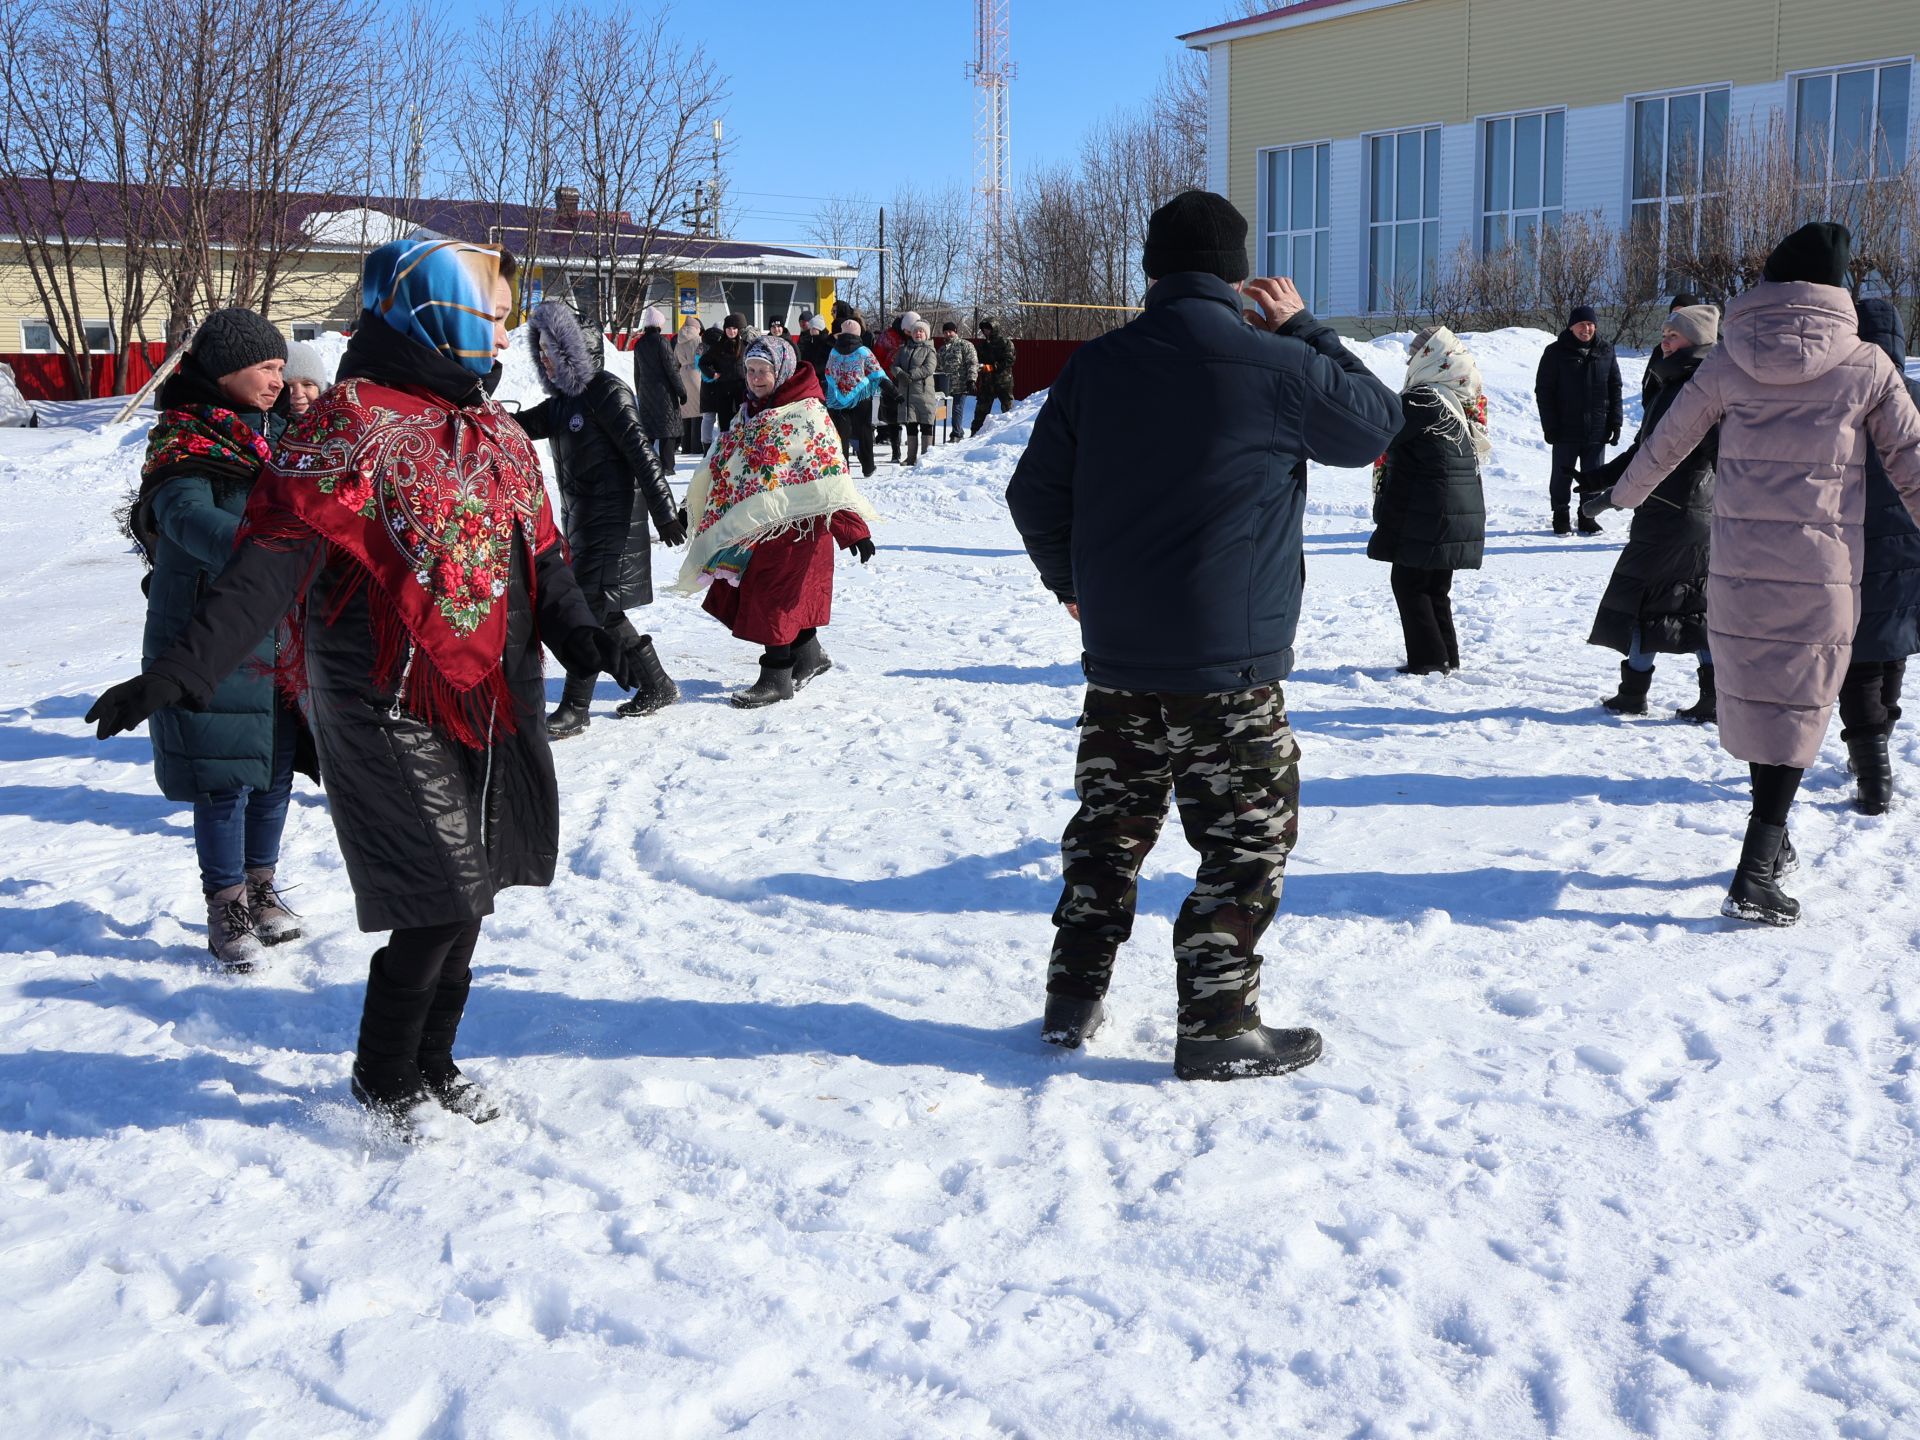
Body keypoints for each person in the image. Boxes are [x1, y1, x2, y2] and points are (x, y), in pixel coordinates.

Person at [87, 239, 650, 1133]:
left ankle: (434, 1059)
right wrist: (180, 672)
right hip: (383, 697)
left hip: (494, 691)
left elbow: (540, 558)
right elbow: (273, 557)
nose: (493, 333)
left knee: (474, 896)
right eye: (478, 314)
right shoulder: (349, 421)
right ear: (428, 313)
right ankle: (385, 1078)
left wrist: (590, 638)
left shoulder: (497, 428)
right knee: (440, 895)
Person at [1005, 189, 1403, 1081]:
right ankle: (1219, 1023)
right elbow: (1380, 425)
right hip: (1228, 663)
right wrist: (1306, 329)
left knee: (1110, 828)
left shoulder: (1096, 366)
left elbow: (1032, 494)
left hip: (1121, 657)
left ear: (1150, 266)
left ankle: (1073, 997)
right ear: (1237, 271)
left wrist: (1071, 585)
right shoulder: (1273, 361)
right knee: (1245, 839)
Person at [1597, 223, 1920, 926]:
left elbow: (1668, 441)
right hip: (1822, 568)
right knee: (1798, 701)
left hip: (1739, 565)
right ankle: (1755, 870)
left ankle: (1768, 849)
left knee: (1764, 699)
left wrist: (1617, 494)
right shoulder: (1866, 364)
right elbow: (1910, 458)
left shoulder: (1730, 358)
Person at [124, 307, 311, 972]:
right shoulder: (185, 444)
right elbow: (186, 518)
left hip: (279, 636)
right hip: (211, 632)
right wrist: (268, 550)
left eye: (282, 368)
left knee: (272, 772)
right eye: (266, 367)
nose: (277, 380)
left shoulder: (280, 436)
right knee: (225, 781)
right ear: (227, 370)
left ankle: (262, 888)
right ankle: (225, 903)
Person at [675, 335, 878, 708]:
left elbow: (830, 476)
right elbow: (722, 463)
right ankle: (811, 656)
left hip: (797, 530)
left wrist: (854, 532)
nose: (755, 378)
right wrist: (693, 505)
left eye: (763, 371)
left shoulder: (807, 414)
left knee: (774, 600)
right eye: (750, 370)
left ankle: (776, 677)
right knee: (771, 598)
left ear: (780, 370)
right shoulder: (748, 411)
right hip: (755, 527)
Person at [519, 300, 687, 735]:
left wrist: (665, 512)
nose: (544, 359)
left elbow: (641, 453)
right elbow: (518, 426)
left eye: (552, 350)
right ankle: (657, 684)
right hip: (580, 521)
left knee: (590, 609)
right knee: (604, 611)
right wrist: (480, 408)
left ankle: (576, 706)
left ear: (575, 351)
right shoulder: (559, 404)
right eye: (540, 352)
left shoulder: (608, 393)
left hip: (615, 525)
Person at [1579, 304, 1721, 720]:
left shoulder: (1692, 387)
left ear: (1695, 340)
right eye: (1663, 332)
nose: (1665, 339)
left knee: (1639, 598)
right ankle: (1711, 697)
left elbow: (1696, 454)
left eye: (1673, 334)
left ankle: (1633, 693)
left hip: (1673, 512)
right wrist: (1599, 477)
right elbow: (1647, 448)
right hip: (1687, 511)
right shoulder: (1677, 380)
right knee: (1693, 602)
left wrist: (1609, 495)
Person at [1838, 297, 1920, 814]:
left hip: (1852, 545)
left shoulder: (1839, 398)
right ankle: (1879, 747)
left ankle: (1873, 774)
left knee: (1860, 658)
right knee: (1892, 642)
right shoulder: (1914, 396)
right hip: (1911, 543)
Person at [1367, 325, 1488, 675]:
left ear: (1431, 357)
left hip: (1429, 510)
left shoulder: (1423, 399)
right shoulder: (1456, 396)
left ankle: (1428, 660)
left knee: (1409, 583)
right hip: (1450, 509)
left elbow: (1383, 428)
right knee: (1435, 586)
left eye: (1416, 352)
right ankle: (1446, 655)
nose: (1409, 359)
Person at [1535, 304, 1623, 536]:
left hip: (1597, 428)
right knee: (1562, 475)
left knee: (1593, 474)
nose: (1587, 328)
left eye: (1591, 324)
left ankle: (1587, 516)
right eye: (1582, 324)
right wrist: (1550, 426)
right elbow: (1544, 391)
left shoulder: (1606, 350)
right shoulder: (1555, 352)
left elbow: (1615, 387)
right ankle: (1560, 515)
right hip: (1565, 428)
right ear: (1572, 326)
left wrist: (1615, 422)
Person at [821, 317, 894, 478]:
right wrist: (893, 391)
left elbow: (828, 373)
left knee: (841, 435)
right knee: (864, 432)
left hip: (837, 400)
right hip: (862, 397)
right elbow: (877, 372)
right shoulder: (863, 351)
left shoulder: (833, 352)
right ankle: (868, 467)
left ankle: (843, 469)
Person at [629, 305, 688, 476]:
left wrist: (639, 391)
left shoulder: (639, 344)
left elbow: (637, 371)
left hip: (646, 392)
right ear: (658, 324)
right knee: (667, 431)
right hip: (664, 393)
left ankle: (647, 464)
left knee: (649, 431)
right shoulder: (662, 342)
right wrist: (681, 392)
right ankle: (667, 466)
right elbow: (671, 370)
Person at [1642, 292, 1703, 411]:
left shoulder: (1710, 351)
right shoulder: (1660, 349)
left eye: (1683, 315)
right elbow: (1648, 385)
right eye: (1674, 315)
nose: (1677, 320)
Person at [890, 318, 939, 466]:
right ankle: (911, 457)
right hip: (907, 394)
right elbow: (894, 366)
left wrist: (910, 375)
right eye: (916, 331)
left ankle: (925, 457)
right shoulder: (903, 349)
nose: (918, 333)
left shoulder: (929, 350)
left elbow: (929, 368)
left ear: (926, 334)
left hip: (924, 394)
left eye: (921, 331)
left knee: (926, 424)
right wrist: (899, 374)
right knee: (911, 425)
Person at [971, 317, 1017, 433]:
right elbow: (976, 360)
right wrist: (979, 367)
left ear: (994, 329)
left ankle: (1011, 433)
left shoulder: (1005, 343)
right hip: (987, 383)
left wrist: (992, 367)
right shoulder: (982, 345)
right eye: (984, 329)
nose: (986, 331)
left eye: (988, 329)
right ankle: (974, 435)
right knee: (980, 413)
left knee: (1009, 412)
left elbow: (1009, 360)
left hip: (1003, 382)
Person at [874, 315, 909, 463]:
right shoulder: (887, 337)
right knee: (893, 418)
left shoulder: (913, 335)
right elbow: (877, 358)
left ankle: (910, 451)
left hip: (908, 381)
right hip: (890, 381)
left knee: (908, 417)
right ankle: (896, 451)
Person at [938, 320, 978, 441]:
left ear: (955, 332)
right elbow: (938, 367)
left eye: (950, 331)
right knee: (942, 410)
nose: (948, 334)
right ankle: (953, 430)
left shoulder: (965, 345)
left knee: (957, 408)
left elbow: (972, 363)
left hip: (960, 384)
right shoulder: (942, 349)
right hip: (945, 385)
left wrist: (971, 379)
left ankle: (956, 434)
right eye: (945, 332)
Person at [283, 339, 334, 419]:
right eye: (288, 385)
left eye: (307, 384)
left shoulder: (337, 419)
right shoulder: (264, 424)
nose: (298, 394)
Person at [673, 316, 703, 454]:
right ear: (696, 328)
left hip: (682, 374)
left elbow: (674, 361)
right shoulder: (698, 340)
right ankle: (696, 447)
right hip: (696, 373)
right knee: (698, 411)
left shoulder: (678, 341)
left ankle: (686, 447)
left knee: (686, 412)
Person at [796, 311, 834, 380]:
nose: (810, 331)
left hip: (821, 377)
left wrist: (813, 370)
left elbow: (824, 362)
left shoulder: (825, 342)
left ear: (818, 328)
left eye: (812, 329)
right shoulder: (815, 339)